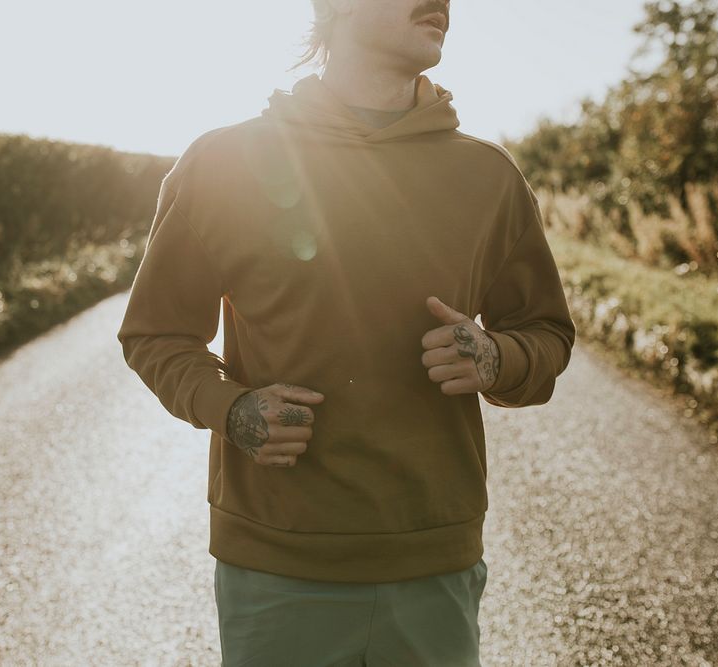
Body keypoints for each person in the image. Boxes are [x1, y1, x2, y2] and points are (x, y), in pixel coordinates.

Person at [116, 0, 576, 664]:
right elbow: (155, 332)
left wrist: (499, 357)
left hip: (433, 565)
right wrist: (233, 407)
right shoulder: (222, 161)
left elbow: (546, 331)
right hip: (276, 568)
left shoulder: (490, 176)